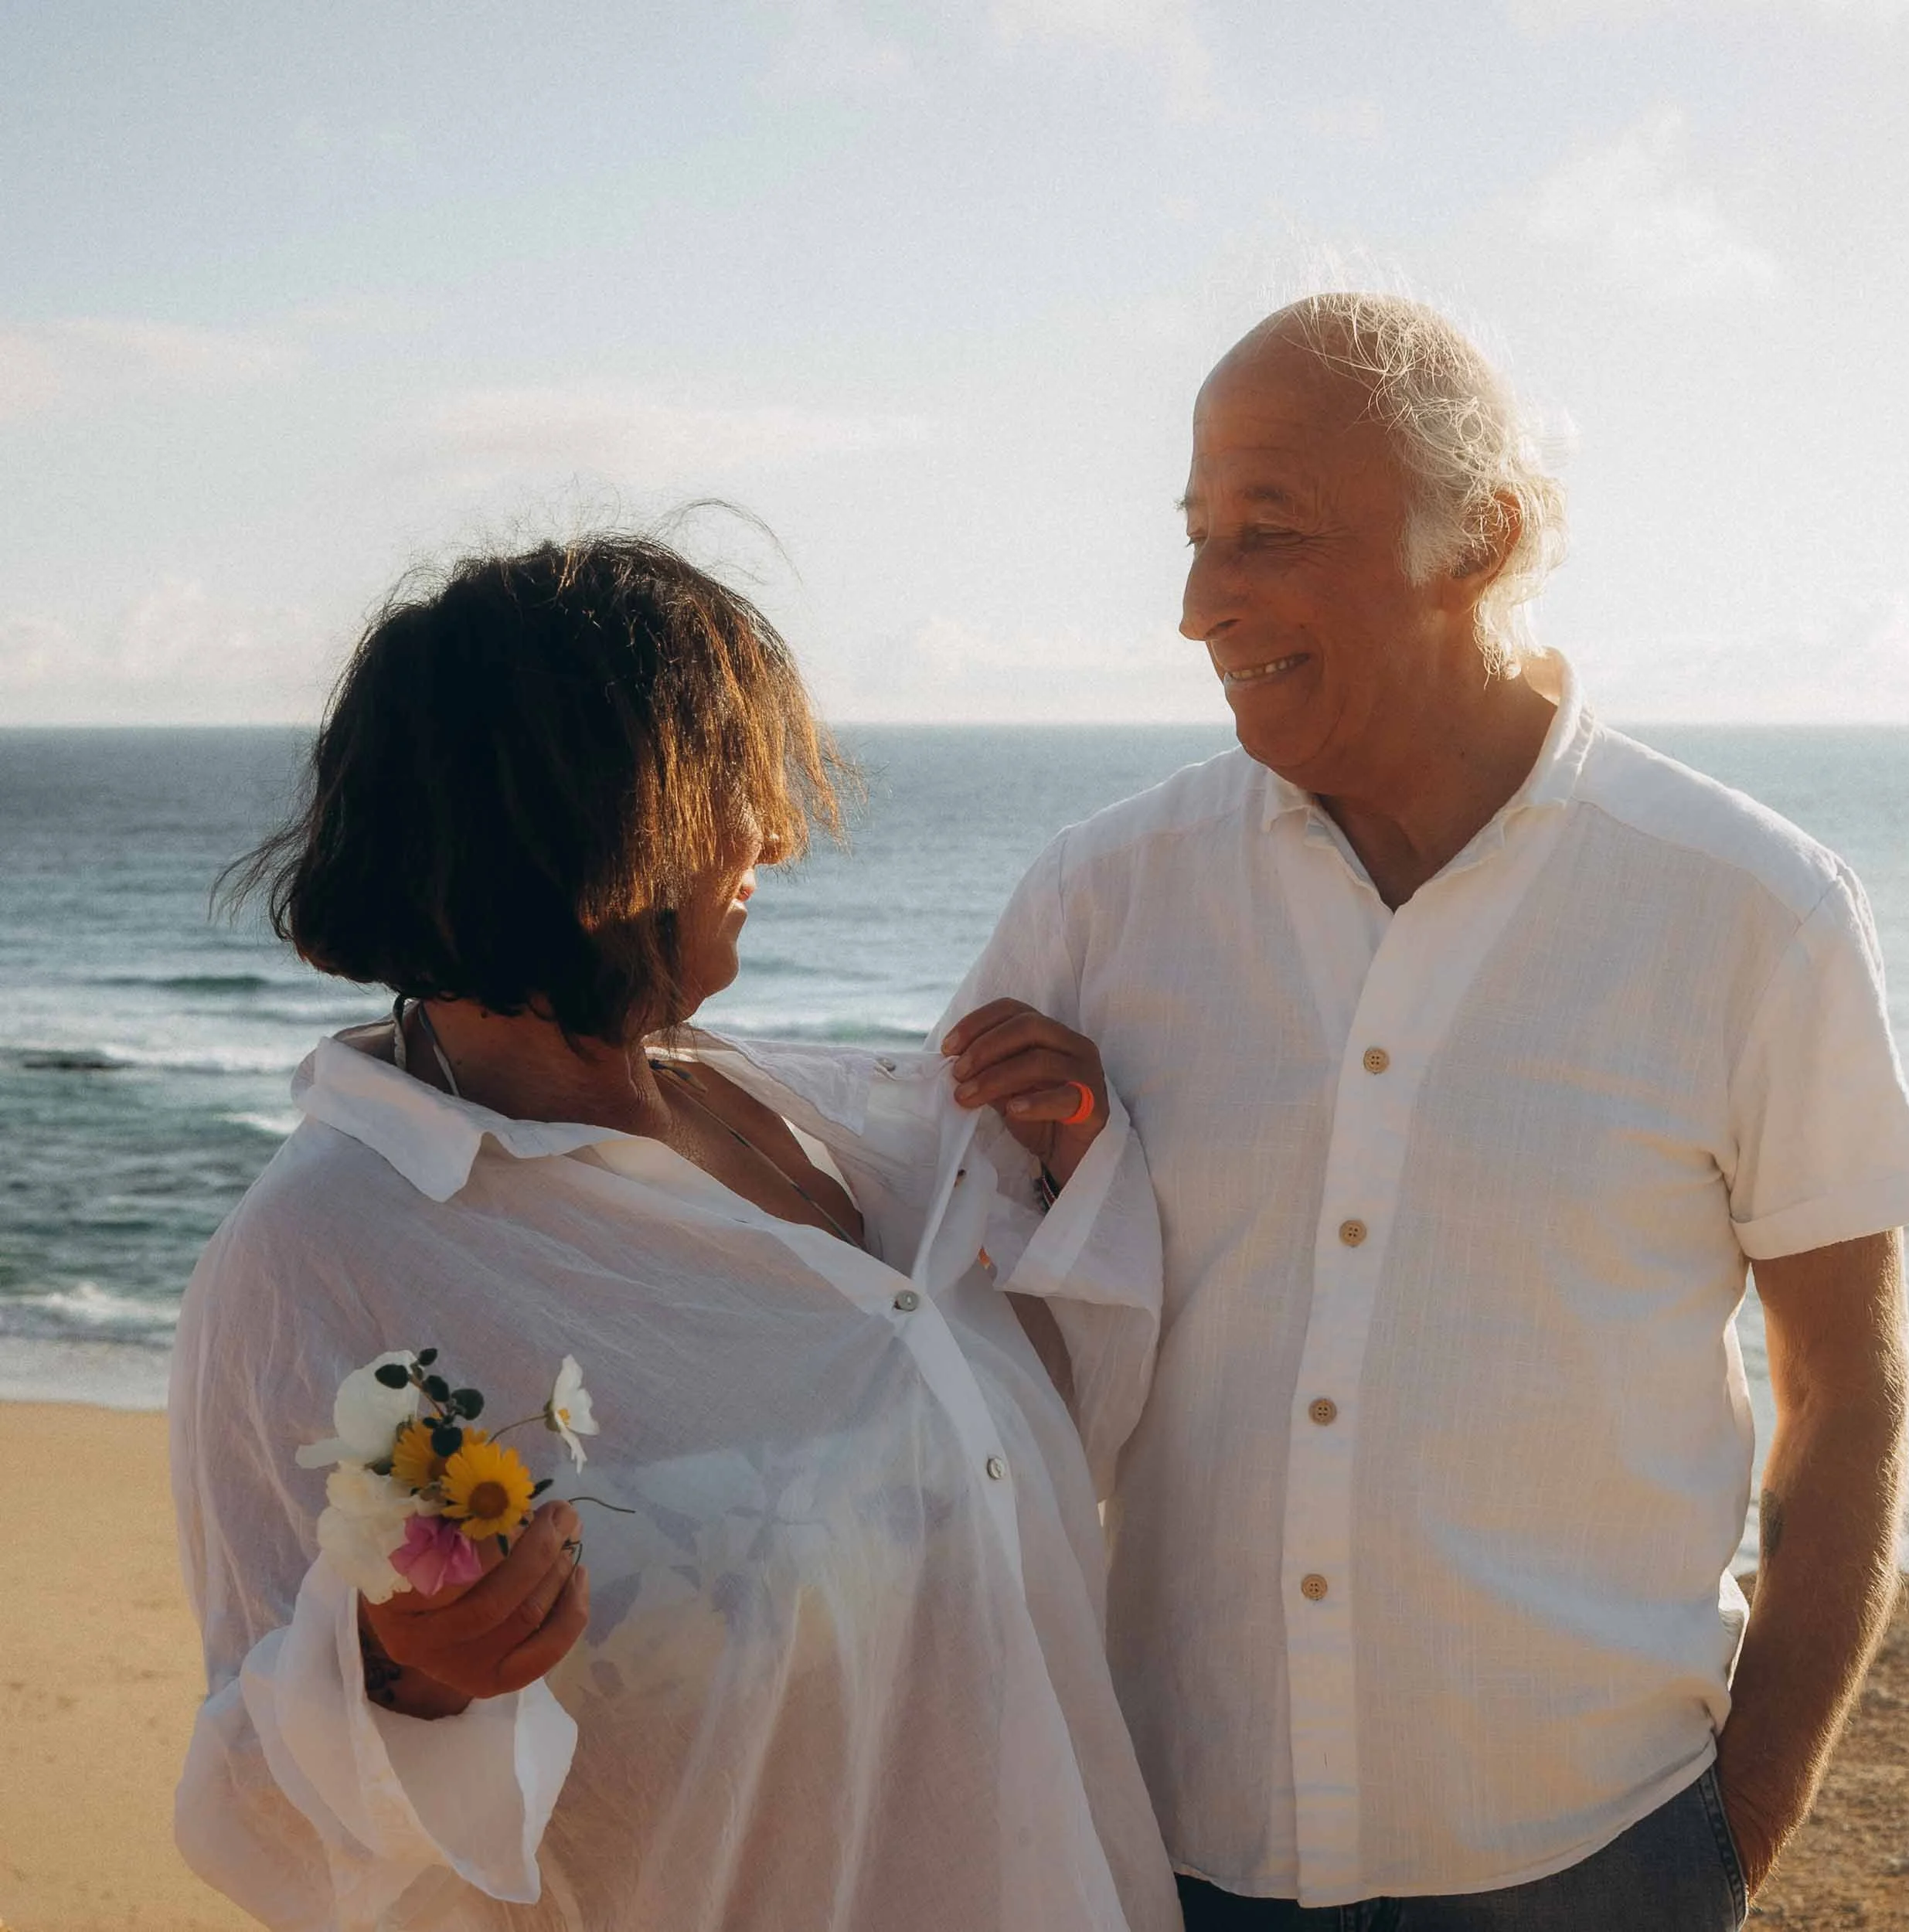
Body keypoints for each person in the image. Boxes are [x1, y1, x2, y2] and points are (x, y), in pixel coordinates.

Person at [942, 293, 1909, 1930]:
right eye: (1194, 535)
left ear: (1483, 536)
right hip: (1172, 1847)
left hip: (1596, 1852)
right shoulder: (1098, 903)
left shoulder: (1753, 909)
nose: (1198, 605)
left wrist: (1735, 1833)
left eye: (1267, 531)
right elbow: (948, 1341)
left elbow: (1844, 1396)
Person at [171, 534, 1183, 1932]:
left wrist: (1068, 1170)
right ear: (581, 820)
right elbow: (259, 1821)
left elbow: (1042, 1446)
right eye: (730, 786)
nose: (777, 837)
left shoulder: (817, 1121)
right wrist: (401, 1678)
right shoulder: (324, 1254)